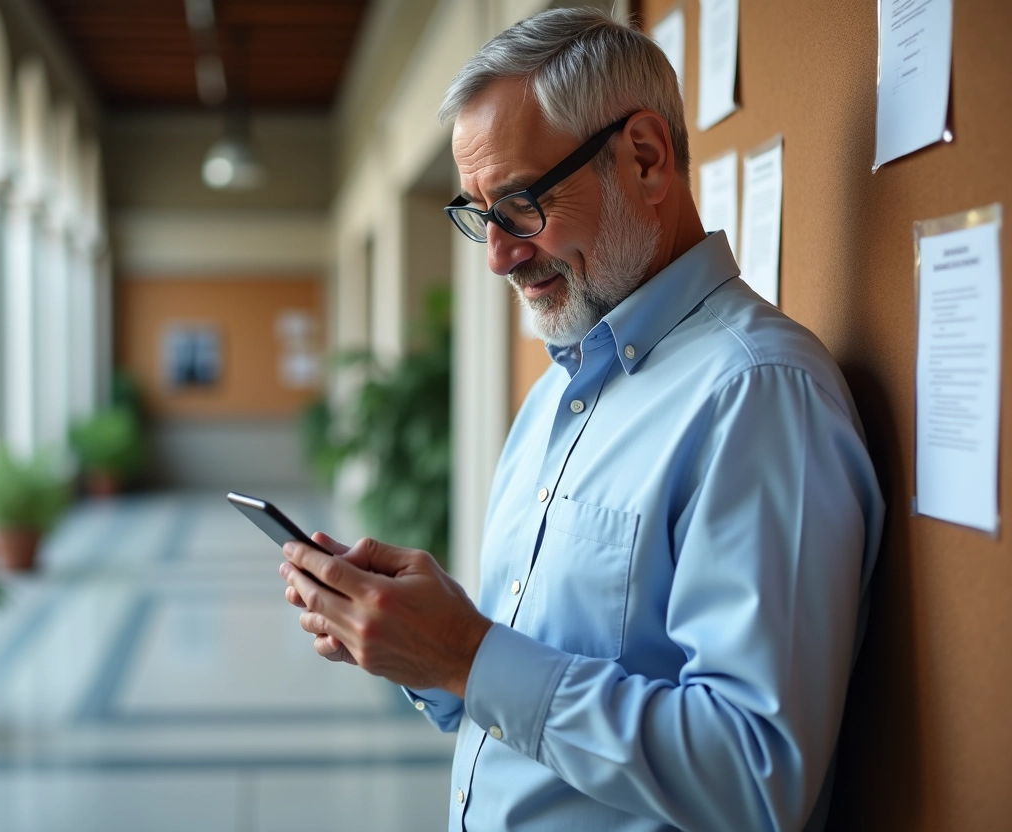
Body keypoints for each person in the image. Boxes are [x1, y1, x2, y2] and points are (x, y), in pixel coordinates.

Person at [278, 8, 884, 831]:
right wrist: (421, 648)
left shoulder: (758, 393)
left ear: (645, 158)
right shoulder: (554, 396)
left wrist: (467, 653)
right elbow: (518, 686)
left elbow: (756, 775)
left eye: (522, 202)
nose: (497, 253)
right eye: (479, 212)